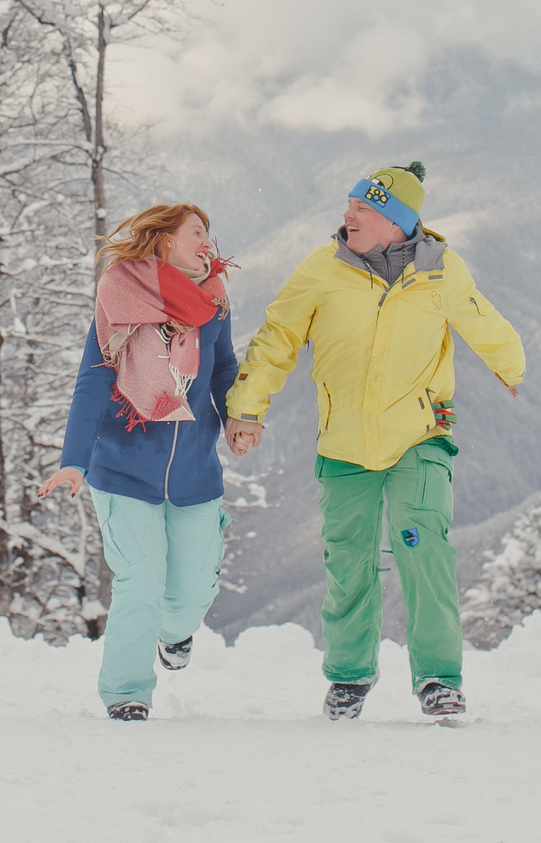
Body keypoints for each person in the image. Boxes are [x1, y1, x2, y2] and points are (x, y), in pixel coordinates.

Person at [221, 162, 524, 721]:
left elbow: (479, 317)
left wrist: (510, 365)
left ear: (396, 221)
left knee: (422, 545)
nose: (348, 216)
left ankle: (438, 678)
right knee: (350, 561)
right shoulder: (322, 268)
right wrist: (246, 409)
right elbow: (277, 339)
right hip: (344, 445)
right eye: (349, 206)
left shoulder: (439, 270)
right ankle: (349, 678)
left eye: (363, 208)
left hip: (420, 437)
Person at [39, 201, 239, 720]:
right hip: (123, 468)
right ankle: (126, 692)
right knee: (140, 580)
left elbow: (224, 372)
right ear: (165, 241)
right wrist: (74, 461)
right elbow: (94, 379)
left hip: (195, 473)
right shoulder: (121, 296)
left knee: (191, 592)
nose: (206, 241)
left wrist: (242, 418)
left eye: (208, 233)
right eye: (197, 231)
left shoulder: (213, 301)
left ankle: (174, 635)